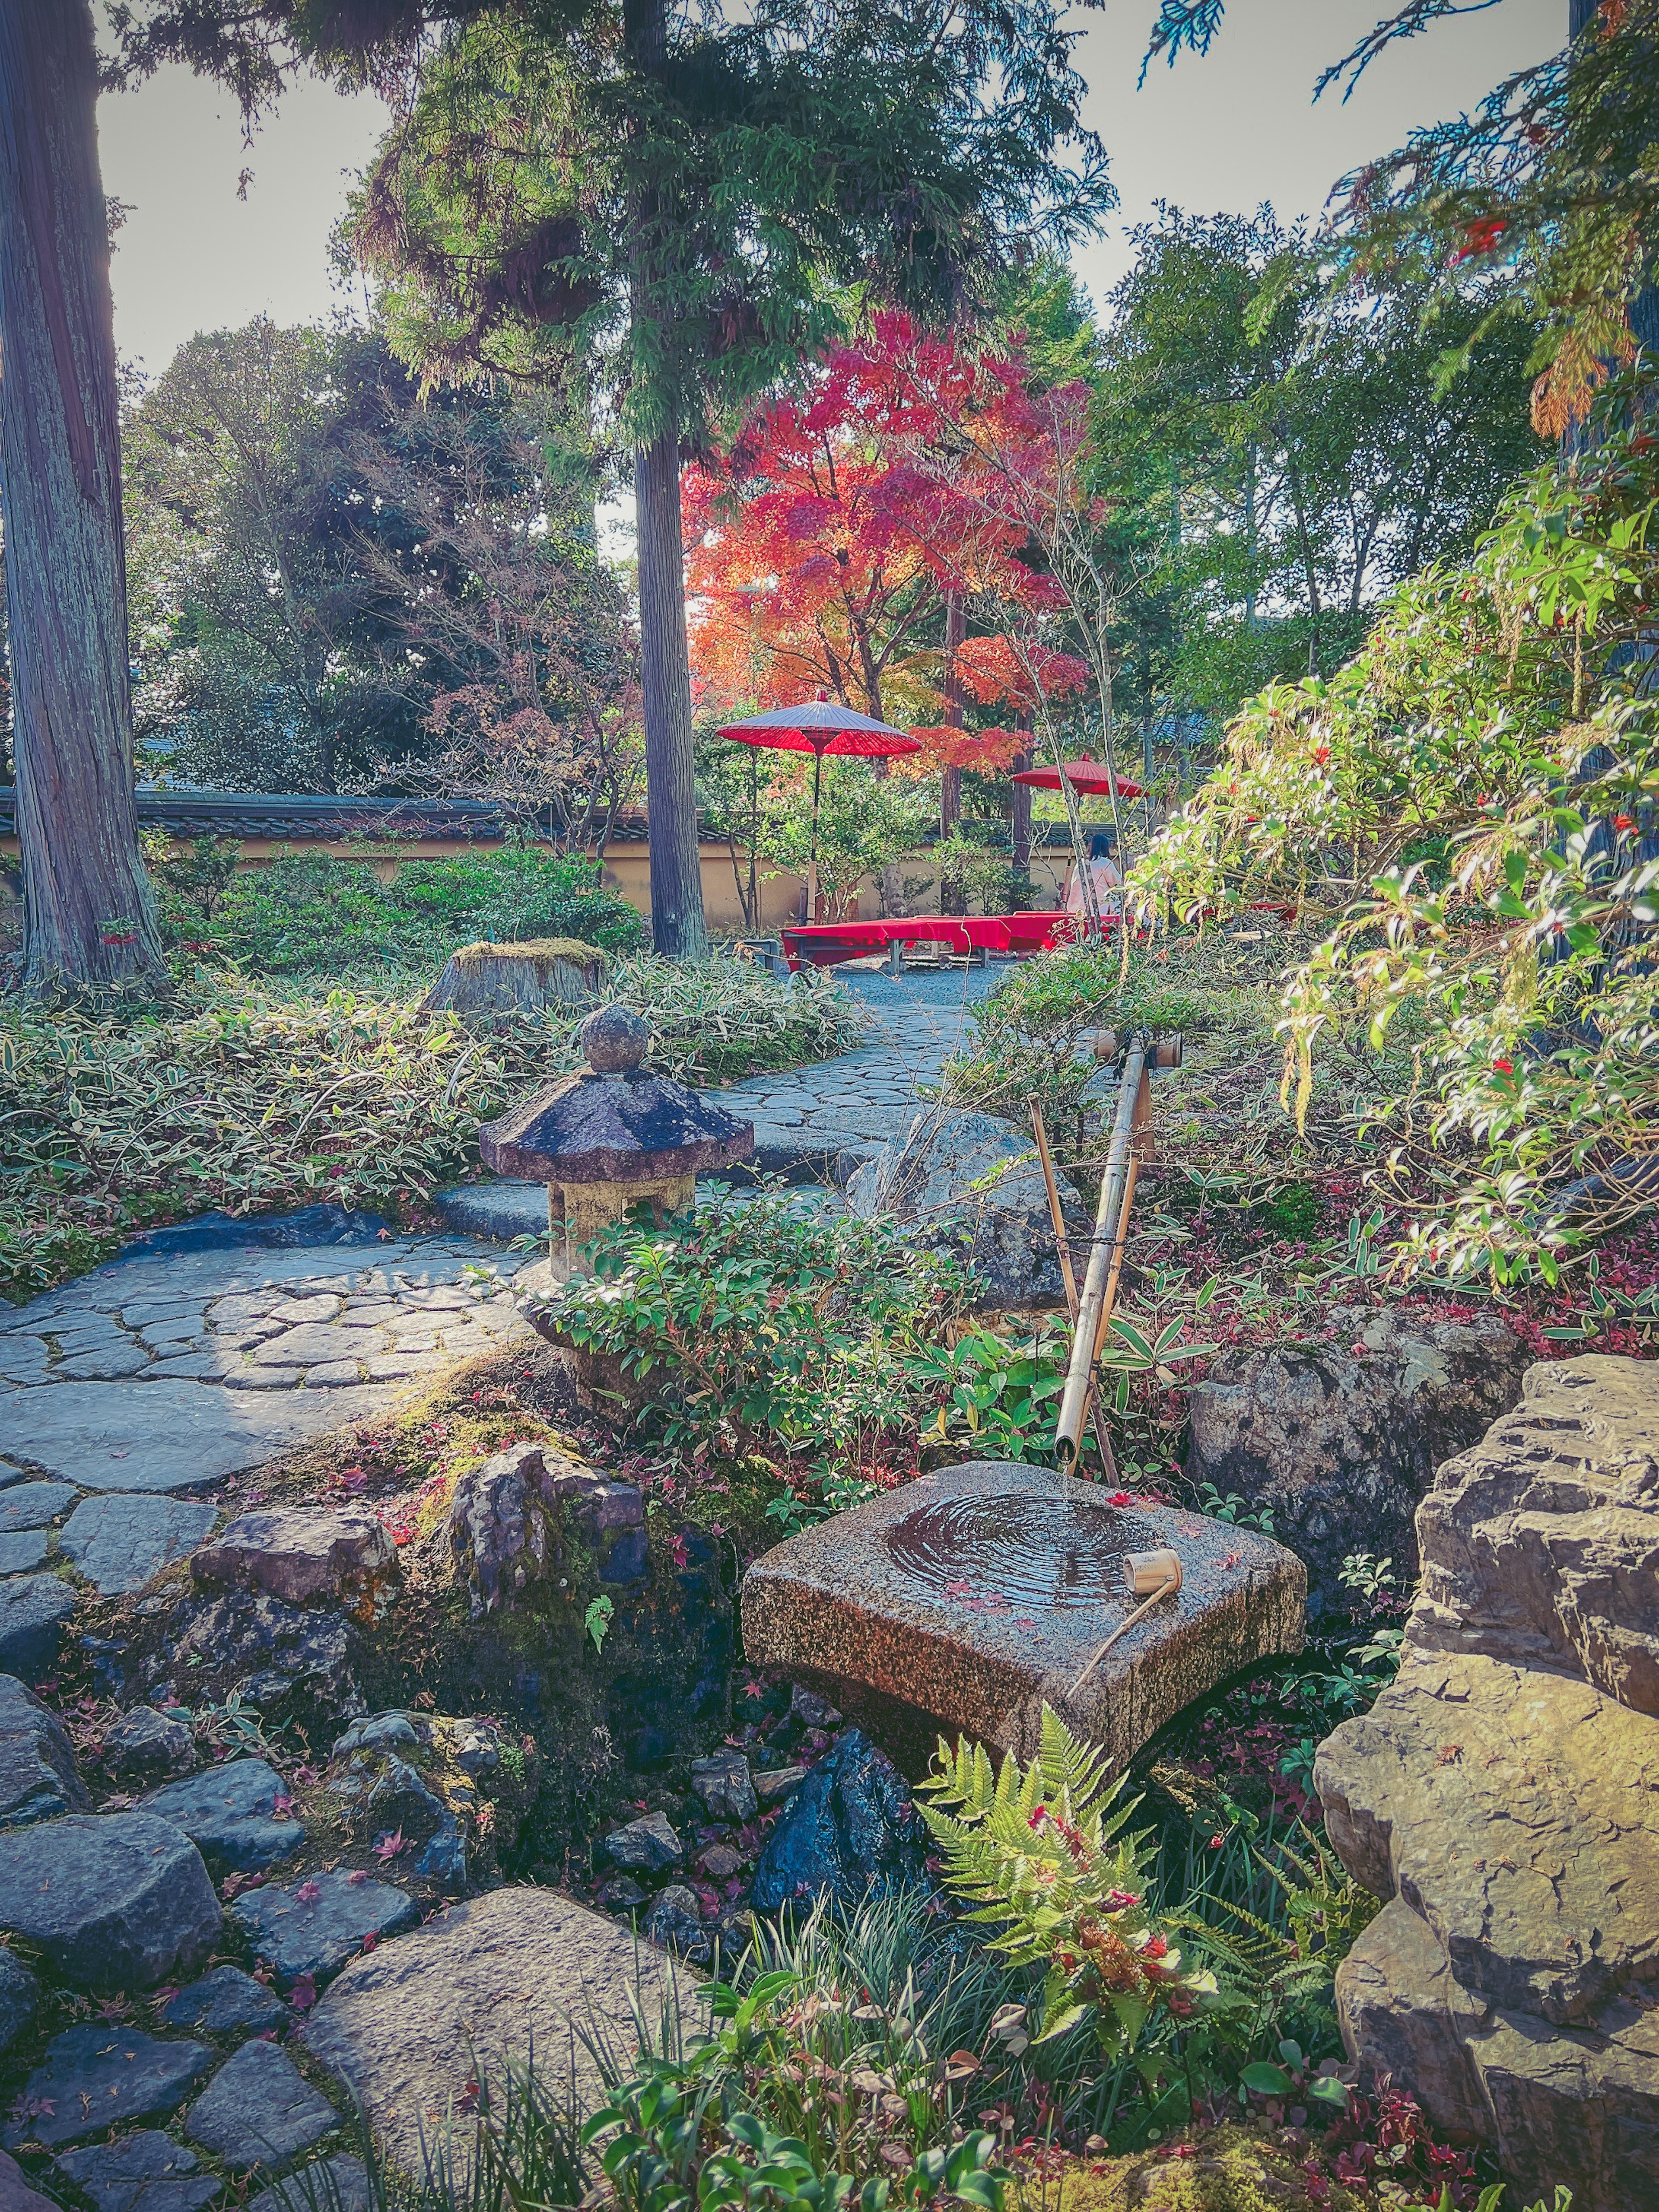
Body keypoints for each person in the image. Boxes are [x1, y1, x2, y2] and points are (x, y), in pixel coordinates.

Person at [1064, 831, 1124, 919]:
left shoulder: (1080, 864)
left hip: (1076, 909)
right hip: (1099, 909)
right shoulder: (1105, 863)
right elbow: (1118, 885)